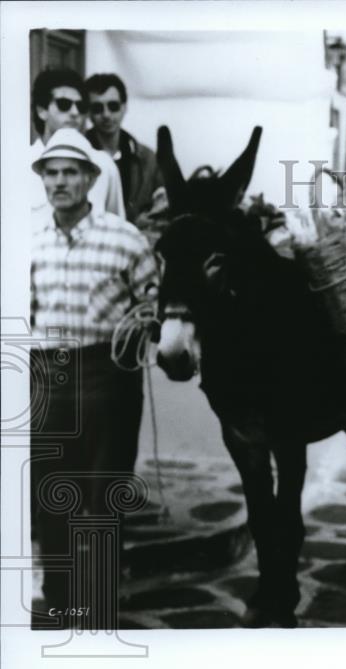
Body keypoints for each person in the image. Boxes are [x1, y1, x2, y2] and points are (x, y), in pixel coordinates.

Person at [30, 128, 157, 629]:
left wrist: (145, 323)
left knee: (105, 495)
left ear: (89, 178)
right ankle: (59, 600)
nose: (59, 182)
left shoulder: (124, 239)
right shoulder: (29, 242)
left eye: (70, 172)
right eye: (51, 173)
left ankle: (100, 604)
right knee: (51, 494)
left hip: (108, 378)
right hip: (47, 380)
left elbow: (152, 303)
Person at [30, 68, 125, 228]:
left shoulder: (103, 165)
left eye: (81, 106)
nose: (74, 113)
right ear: (42, 111)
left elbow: (117, 229)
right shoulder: (18, 164)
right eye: (64, 104)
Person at [85, 72, 162, 224]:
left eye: (113, 106)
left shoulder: (147, 159)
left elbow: (163, 206)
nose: (106, 114)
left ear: (124, 107)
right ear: (88, 113)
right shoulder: (78, 156)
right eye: (97, 108)